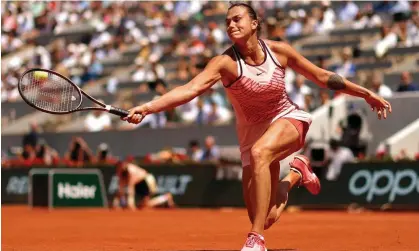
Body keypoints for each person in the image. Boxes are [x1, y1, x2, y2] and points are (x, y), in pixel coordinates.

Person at [123, 3, 392, 251]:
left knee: (261, 154)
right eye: (227, 21)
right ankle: (297, 173)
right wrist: (148, 108)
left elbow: (322, 77)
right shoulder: (224, 63)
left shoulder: (279, 51)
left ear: (254, 23)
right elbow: (190, 89)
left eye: (237, 19)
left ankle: (255, 239)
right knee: (266, 216)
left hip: (287, 120)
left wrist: (365, 93)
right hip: (251, 138)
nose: (230, 25)